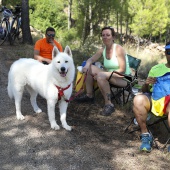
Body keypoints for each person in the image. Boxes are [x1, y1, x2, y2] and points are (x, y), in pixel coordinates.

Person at [76, 26, 131, 116]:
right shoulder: (103, 50)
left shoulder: (118, 49)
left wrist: (103, 74)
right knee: (90, 67)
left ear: (113, 37)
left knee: (101, 76)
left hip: (125, 78)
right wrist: (86, 65)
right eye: (103, 35)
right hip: (111, 75)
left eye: (108, 35)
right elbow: (91, 59)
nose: (105, 37)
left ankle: (109, 104)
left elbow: (122, 70)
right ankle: (89, 95)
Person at [133, 41, 170, 152]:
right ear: (165, 53)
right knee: (138, 99)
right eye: (169, 51)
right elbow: (145, 91)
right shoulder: (156, 69)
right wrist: (146, 84)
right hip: (155, 100)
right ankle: (145, 136)